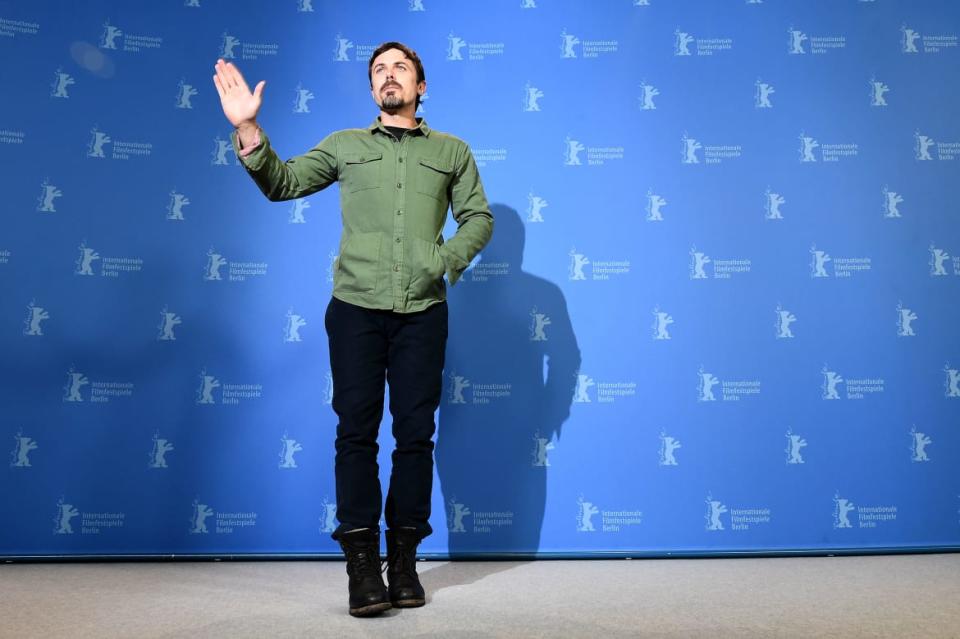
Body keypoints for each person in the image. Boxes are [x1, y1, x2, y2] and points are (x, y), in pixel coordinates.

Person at [212, 41, 493, 617]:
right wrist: (249, 131)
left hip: (422, 309)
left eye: (400, 69)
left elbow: (478, 218)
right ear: (372, 90)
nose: (389, 77)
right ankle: (362, 566)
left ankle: (406, 560)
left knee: (415, 436)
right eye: (378, 72)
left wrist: (443, 262)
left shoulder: (453, 151)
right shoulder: (344, 146)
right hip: (356, 307)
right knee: (356, 435)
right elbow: (282, 183)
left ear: (421, 86)